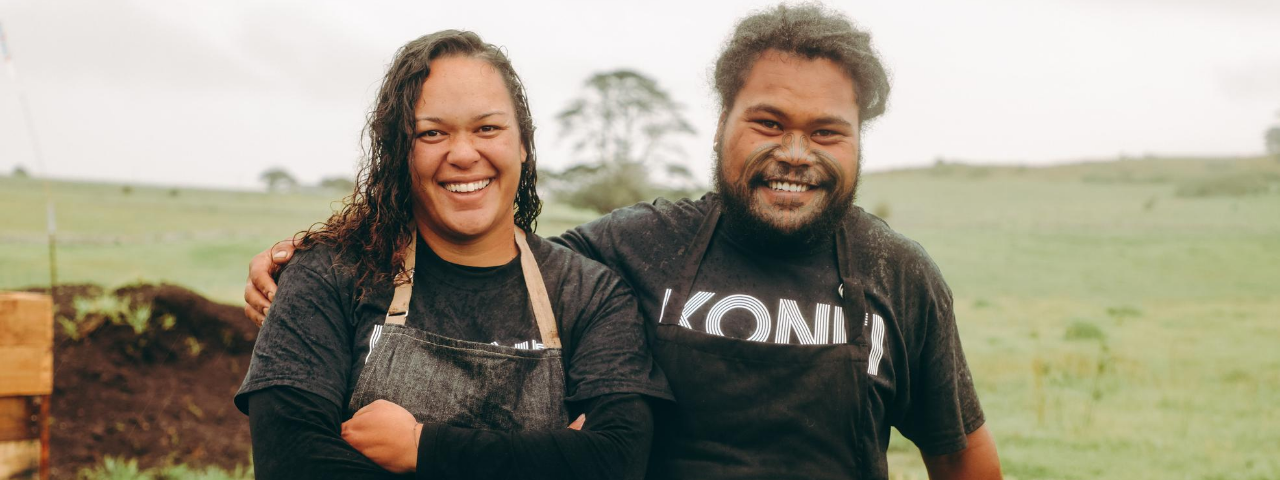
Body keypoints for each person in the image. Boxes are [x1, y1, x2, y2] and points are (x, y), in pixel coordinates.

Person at [246, 5, 1002, 479]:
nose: (795, 152)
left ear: (857, 141)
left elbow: (961, 454)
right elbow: (483, 242)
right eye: (769, 122)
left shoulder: (898, 275)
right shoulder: (630, 251)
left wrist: (428, 452)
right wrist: (313, 257)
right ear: (722, 124)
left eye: (826, 131)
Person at [234, 30, 672, 480]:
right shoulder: (330, 275)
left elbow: (616, 461)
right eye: (432, 133)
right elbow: (292, 462)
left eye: (487, 128)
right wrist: (553, 457)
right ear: (399, 151)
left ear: (522, 143)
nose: (463, 154)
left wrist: (425, 448)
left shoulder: (590, 295)